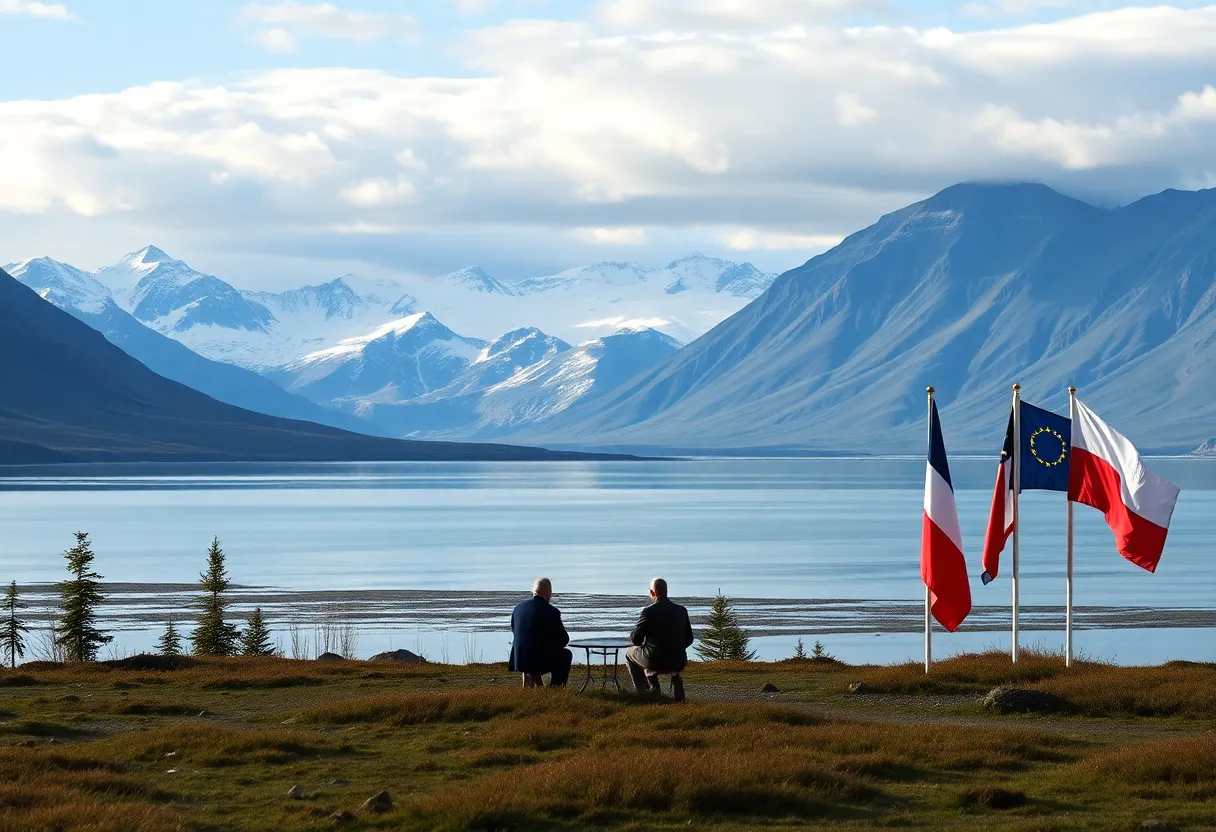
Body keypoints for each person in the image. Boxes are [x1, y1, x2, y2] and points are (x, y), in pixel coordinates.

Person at [626, 577, 694, 702]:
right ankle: (676, 687)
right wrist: (676, 648)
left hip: (654, 661)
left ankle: (644, 692)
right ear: (666, 591)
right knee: (666, 660)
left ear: (652, 593)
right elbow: (689, 639)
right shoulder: (681, 611)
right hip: (678, 660)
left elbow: (636, 640)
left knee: (629, 653)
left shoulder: (648, 612)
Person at [508, 577, 572, 687]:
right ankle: (555, 688)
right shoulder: (552, 612)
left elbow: (515, 631)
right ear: (548, 592)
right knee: (566, 655)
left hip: (519, 659)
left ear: (533, 591)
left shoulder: (518, 609)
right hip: (537, 660)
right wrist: (552, 645)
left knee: (534, 651)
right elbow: (564, 639)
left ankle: (534, 684)